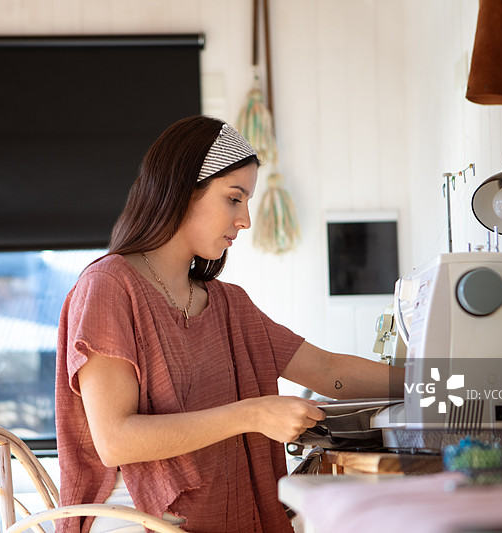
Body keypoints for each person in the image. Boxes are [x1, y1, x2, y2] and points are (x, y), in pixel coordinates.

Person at [55, 115, 404, 533]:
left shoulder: (228, 305)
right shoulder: (109, 286)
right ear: (184, 190)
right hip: (134, 520)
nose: (245, 220)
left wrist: (450, 383)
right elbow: (115, 441)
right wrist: (253, 414)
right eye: (234, 198)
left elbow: (328, 371)